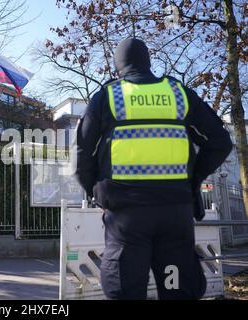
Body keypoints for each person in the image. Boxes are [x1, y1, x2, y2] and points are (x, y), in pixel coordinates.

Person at [74, 38, 233, 300]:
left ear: (118, 66)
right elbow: (220, 142)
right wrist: (192, 182)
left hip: (127, 219)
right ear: (148, 62)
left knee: (127, 290)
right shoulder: (178, 94)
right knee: (176, 288)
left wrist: (96, 191)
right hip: (174, 215)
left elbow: (82, 155)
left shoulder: (108, 96)